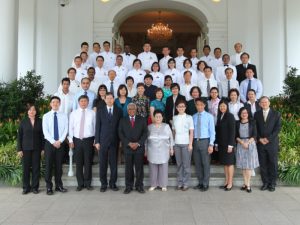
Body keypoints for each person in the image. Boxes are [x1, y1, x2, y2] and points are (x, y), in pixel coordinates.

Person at [118, 103, 148, 194]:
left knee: (139, 168)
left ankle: (139, 186)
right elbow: (120, 133)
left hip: (139, 148)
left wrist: (138, 143)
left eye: (133, 109)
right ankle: (128, 186)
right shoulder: (122, 120)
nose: (132, 111)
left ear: (136, 110)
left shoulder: (142, 120)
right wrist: (128, 143)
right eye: (130, 109)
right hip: (127, 148)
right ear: (127, 111)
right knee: (128, 168)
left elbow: (145, 133)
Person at [95, 92, 122, 192]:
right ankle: (103, 184)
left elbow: (120, 127)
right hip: (102, 141)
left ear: (114, 99)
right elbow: (97, 127)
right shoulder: (100, 111)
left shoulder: (118, 111)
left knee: (114, 164)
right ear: (105, 100)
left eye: (111, 98)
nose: (110, 100)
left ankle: (113, 183)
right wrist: (97, 141)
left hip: (115, 141)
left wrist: (120, 140)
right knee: (103, 164)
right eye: (108, 98)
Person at [69, 95, 96, 191]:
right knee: (79, 163)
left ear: (88, 102)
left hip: (89, 140)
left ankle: (88, 183)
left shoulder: (92, 113)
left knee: (88, 162)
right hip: (77, 140)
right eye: (81, 101)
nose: (83, 103)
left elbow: (95, 127)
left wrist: (95, 140)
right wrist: (71, 141)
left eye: (85, 101)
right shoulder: (73, 114)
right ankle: (80, 183)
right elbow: (70, 128)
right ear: (78, 102)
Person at [42, 96, 68, 195]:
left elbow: (65, 129)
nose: (55, 104)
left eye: (57, 102)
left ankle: (59, 185)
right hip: (49, 144)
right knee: (48, 166)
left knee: (58, 166)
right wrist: (53, 141)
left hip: (60, 144)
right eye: (53, 102)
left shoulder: (64, 115)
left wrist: (60, 141)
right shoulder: (46, 116)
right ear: (50, 104)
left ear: (59, 104)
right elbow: (45, 131)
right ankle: (49, 187)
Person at [254, 96, 281, 192]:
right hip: (261, 143)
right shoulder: (256, 114)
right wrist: (259, 139)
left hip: (272, 143)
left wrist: (268, 139)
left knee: (273, 164)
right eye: (262, 102)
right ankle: (265, 183)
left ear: (269, 103)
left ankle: (272, 183)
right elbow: (255, 128)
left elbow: (277, 129)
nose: (264, 103)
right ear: (260, 104)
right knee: (263, 164)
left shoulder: (276, 114)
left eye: (266, 102)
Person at [17, 104, 44, 195]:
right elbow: (19, 136)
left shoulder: (40, 121)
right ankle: (26, 187)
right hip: (25, 149)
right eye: (30, 110)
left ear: (36, 112)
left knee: (36, 168)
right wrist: (19, 149)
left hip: (37, 148)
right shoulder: (23, 122)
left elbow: (42, 136)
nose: (31, 111)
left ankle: (35, 187)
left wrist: (43, 148)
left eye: (33, 110)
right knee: (26, 169)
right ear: (27, 112)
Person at [146, 110, 174, 191]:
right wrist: (146, 150)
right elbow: (146, 140)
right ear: (154, 117)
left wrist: (171, 149)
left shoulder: (166, 126)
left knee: (164, 168)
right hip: (152, 150)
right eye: (156, 116)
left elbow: (171, 138)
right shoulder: (149, 127)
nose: (158, 118)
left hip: (164, 150)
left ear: (162, 118)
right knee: (153, 168)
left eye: (160, 117)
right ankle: (153, 184)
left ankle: (163, 185)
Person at [192, 98, 215, 192]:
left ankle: (205, 184)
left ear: (204, 105)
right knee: (197, 164)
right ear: (196, 106)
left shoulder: (209, 116)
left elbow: (212, 132)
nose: (199, 106)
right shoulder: (193, 116)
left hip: (205, 141)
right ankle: (200, 182)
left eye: (201, 104)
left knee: (205, 163)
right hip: (195, 141)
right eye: (197, 104)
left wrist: (211, 144)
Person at [236, 107, 259, 193]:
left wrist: (247, 143)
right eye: (242, 113)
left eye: (245, 113)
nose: (244, 114)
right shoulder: (237, 123)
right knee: (243, 166)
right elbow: (236, 136)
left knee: (248, 166)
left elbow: (255, 135)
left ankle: (248, 184)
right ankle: (245, 183)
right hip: (240, 144)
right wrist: (242, 143)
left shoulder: (252, 122)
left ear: (248, 114)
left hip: (250, 144)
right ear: (240, 114)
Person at [172, 100, 194, 191]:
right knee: (179, 164)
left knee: (186, 165)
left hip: (186, 144)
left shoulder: (189, 117)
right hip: (177, 143)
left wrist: (190, 144)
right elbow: (173, 131)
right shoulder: (174, 117)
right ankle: (180, 182)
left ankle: (186, 183)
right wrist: (173, 144)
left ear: (185, 107)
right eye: (179, 106)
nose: (181, 108)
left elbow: (191, 132)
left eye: (182, 106)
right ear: (176, 108)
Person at [215, 100, 236, 191]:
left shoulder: (230, 116)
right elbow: (218, 131)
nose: (222, 108)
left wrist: (231, 145)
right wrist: (216, 143)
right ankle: (226, 181)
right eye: (220, 106)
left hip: (228, 145)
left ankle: (230, 183)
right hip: (221, 144)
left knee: (229, 163)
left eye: (224, 106)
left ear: (227, 107)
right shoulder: (220, 116)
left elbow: (232, 131)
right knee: (225, 164)